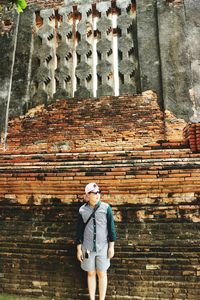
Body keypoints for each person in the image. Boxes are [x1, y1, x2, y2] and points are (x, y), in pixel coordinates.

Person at [76, 182, 117, 300]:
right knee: (91, 273)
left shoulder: (106, 208)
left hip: (103, 247)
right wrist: (78, 249)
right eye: (94, 193)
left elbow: (111, 228)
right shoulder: (82, 210)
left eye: (98, 192)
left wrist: (111, 247)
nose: (97, 195)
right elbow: (79, 230)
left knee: (102, 273)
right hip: (87, 248)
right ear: (87, 195)